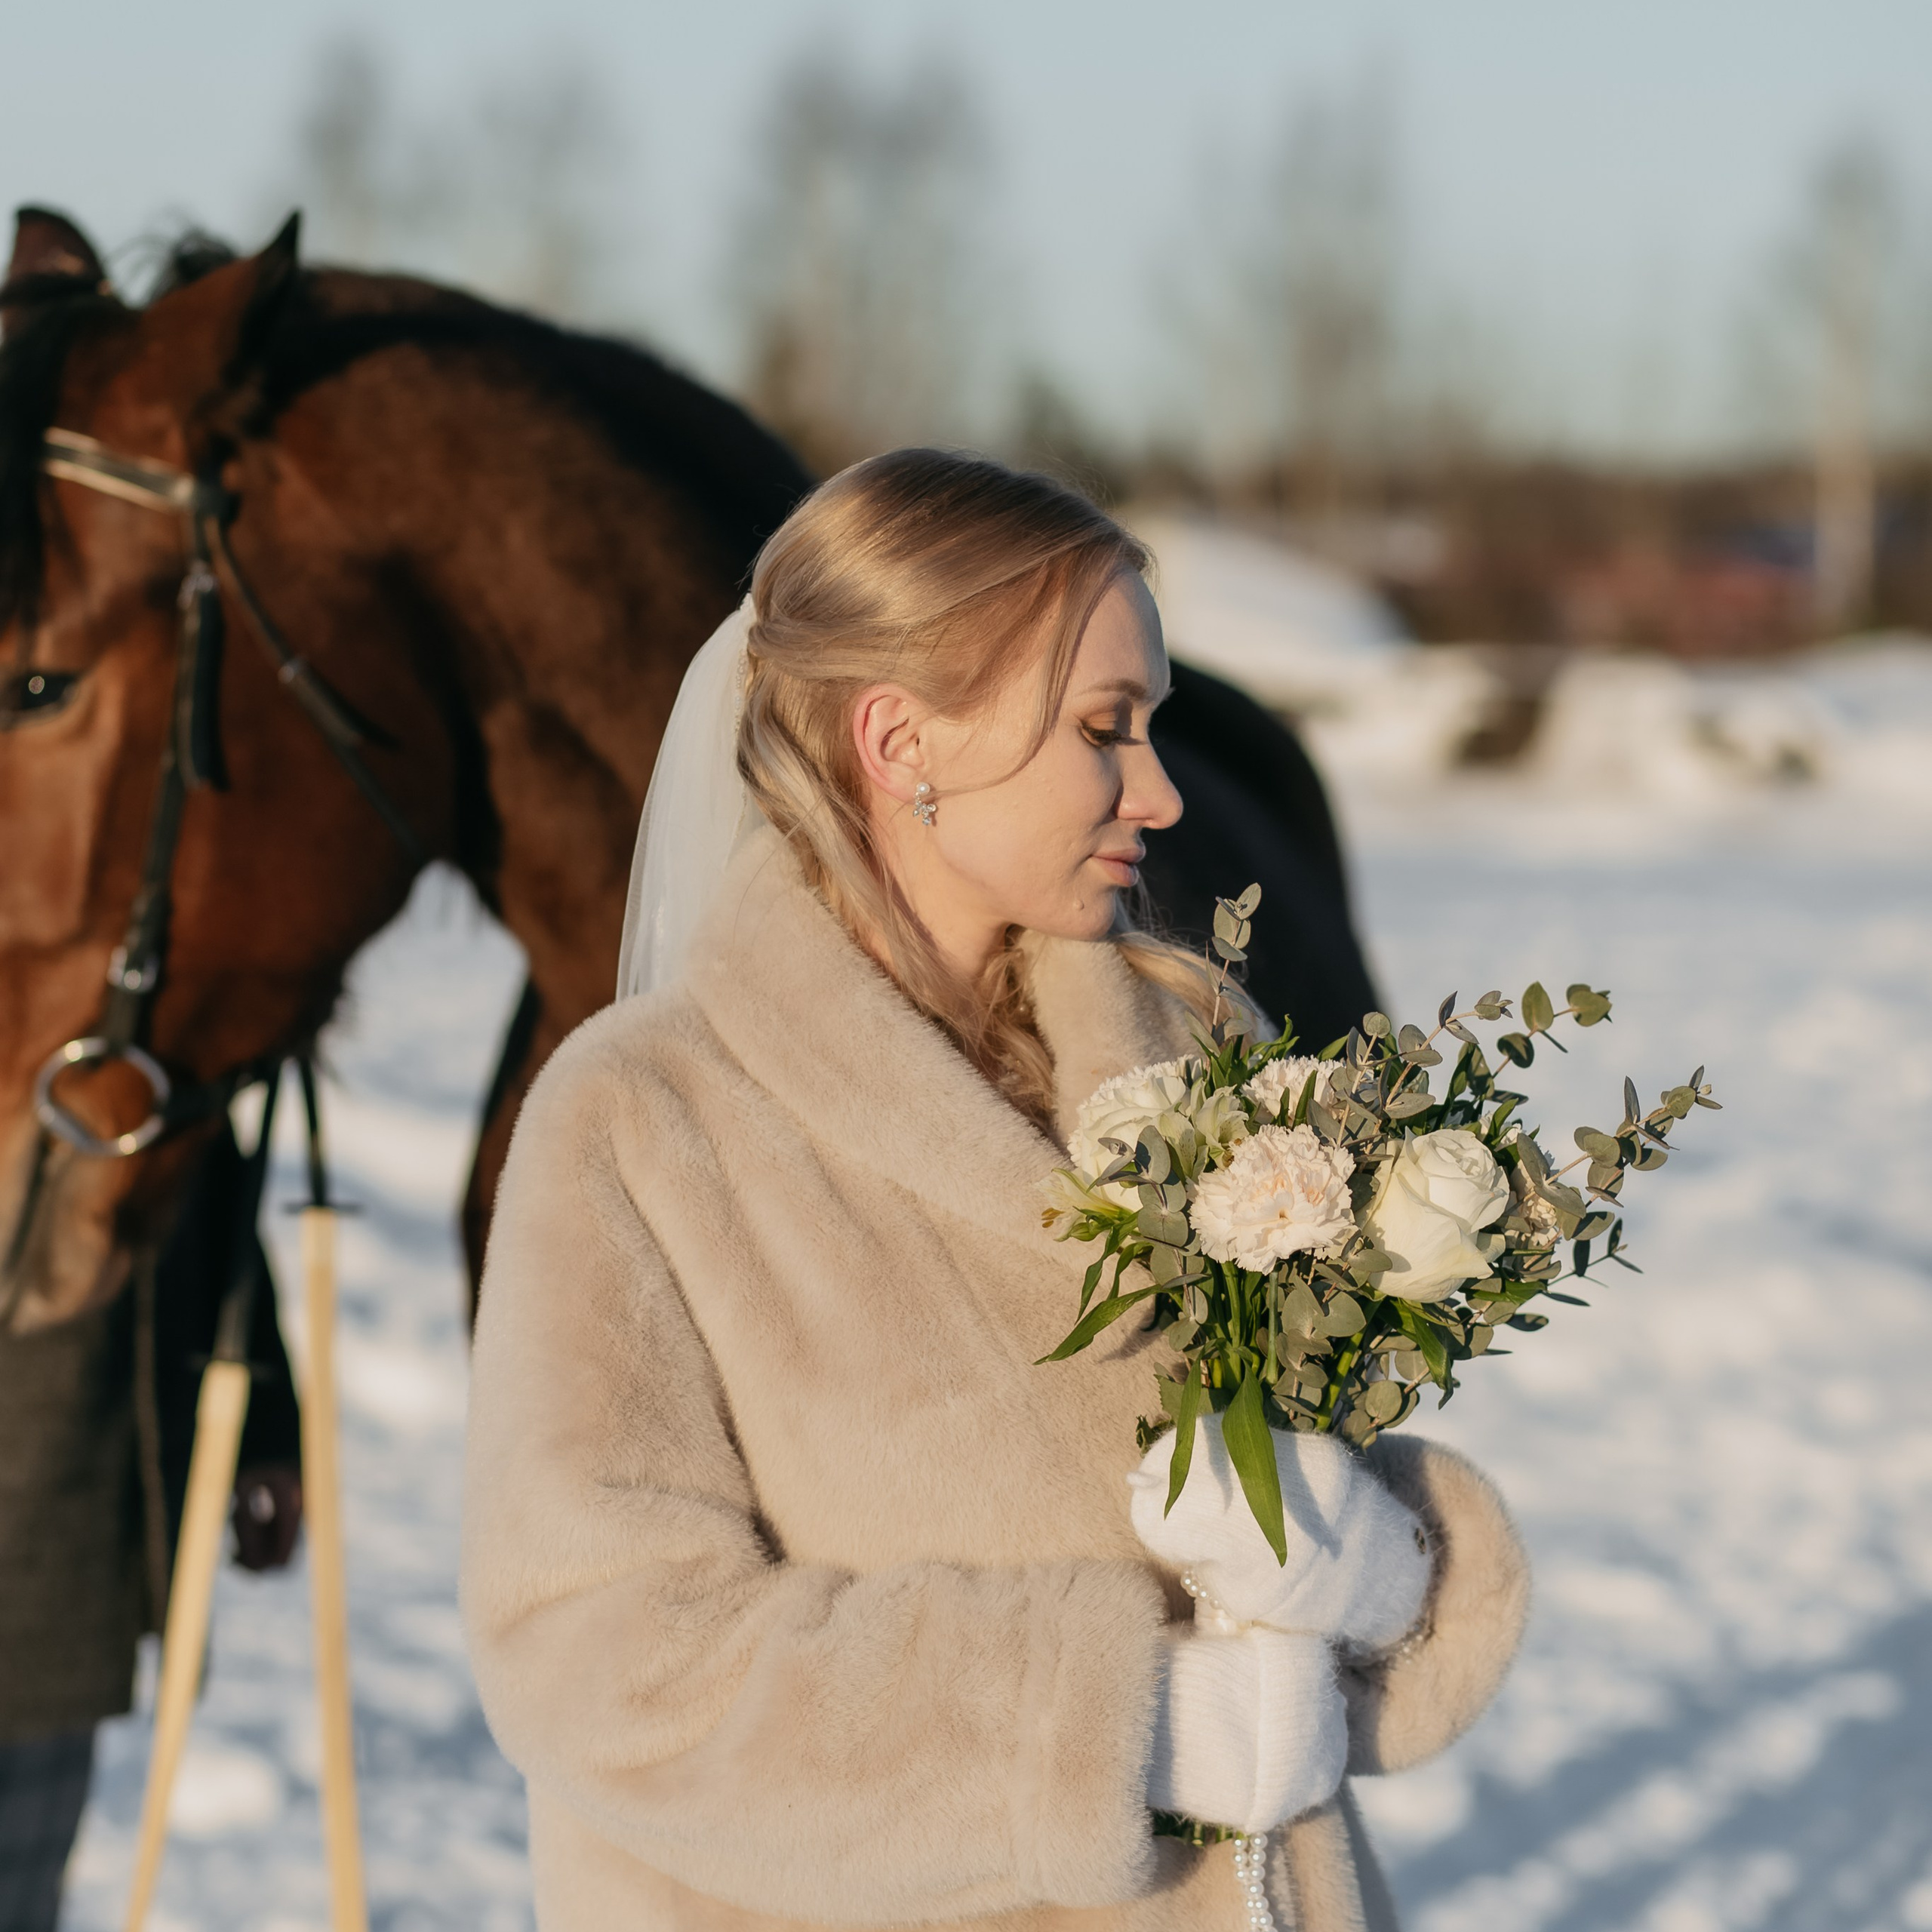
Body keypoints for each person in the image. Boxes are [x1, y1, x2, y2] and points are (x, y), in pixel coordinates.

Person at [460, 450, 1529, 1931]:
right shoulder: (643, 1124)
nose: (1159, 789)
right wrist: (1126, 1725)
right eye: (1103, 727)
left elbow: (1299, 1514)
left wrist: (1378, 1567)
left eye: (1149, 724)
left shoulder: (1201, 1053)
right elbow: (600, 1653)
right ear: (900, 738)